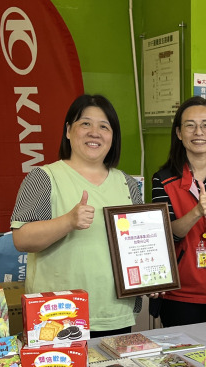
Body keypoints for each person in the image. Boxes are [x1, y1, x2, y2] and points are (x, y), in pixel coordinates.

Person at [11, 94, 144, 337]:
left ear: (113, 137)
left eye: (104, 127)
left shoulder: (128, 184)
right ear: (68, 131)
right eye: (85, 124)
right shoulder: (43, 178)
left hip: (115, 313)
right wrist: (68, 222)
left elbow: (138, 246)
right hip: (57, 313)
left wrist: (151, 277)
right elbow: (21, 239)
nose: (95, 133)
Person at [150, 96, 206, 327]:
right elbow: (167, 235)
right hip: (180, 293)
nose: (198, 132)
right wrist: (197, 211)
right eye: (190, 125)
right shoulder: (163, 179)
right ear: (179, 133)